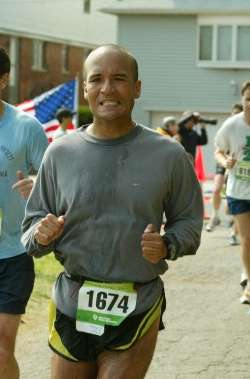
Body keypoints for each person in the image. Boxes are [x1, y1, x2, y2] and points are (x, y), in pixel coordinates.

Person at [21, 44, 203, 379]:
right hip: (72, 299)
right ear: (86, 88)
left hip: (137, 300)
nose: (107, 88)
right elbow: (32, 232)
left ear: (136, 88)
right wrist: (41, 234)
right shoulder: (60, 152)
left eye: (119, 79)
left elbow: (190, 222)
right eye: (97, 79)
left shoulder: (168, 155)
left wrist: (167, 244)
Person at [0, 46, 48, 379]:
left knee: (1, 348)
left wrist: (36, 186)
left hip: (13, 253)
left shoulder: (25, 127)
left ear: (3, 80)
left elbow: (54, 183)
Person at [215, 81, 250, 304]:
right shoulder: (232, 125)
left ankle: (246, 272)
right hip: (239, 191)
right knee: (247, 239)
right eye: (248, 98)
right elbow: (218, 151)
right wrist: (225, 161)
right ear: (242, 100)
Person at [206, 103, 243, 241]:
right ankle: (214, 217)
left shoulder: (244, 127)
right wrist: (224, 160)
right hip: (224, 162)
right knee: (216, 189)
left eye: (237, 114)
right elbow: (219, 149)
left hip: (238, 165)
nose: (234, 116)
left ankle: (234, 231)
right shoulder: (228, 127)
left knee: (233, 196)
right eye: (233, 113)